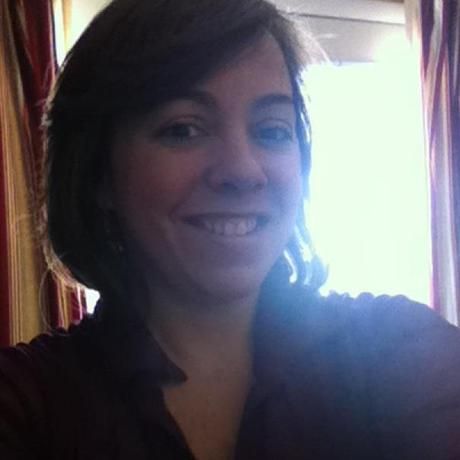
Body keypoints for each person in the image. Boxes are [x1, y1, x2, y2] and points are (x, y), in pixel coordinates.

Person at [1, 0, 460, 459]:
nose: (243, 171)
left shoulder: (396, 349)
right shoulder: (29, 402)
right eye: (183, 129)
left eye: (272, 131)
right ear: (99, 173)